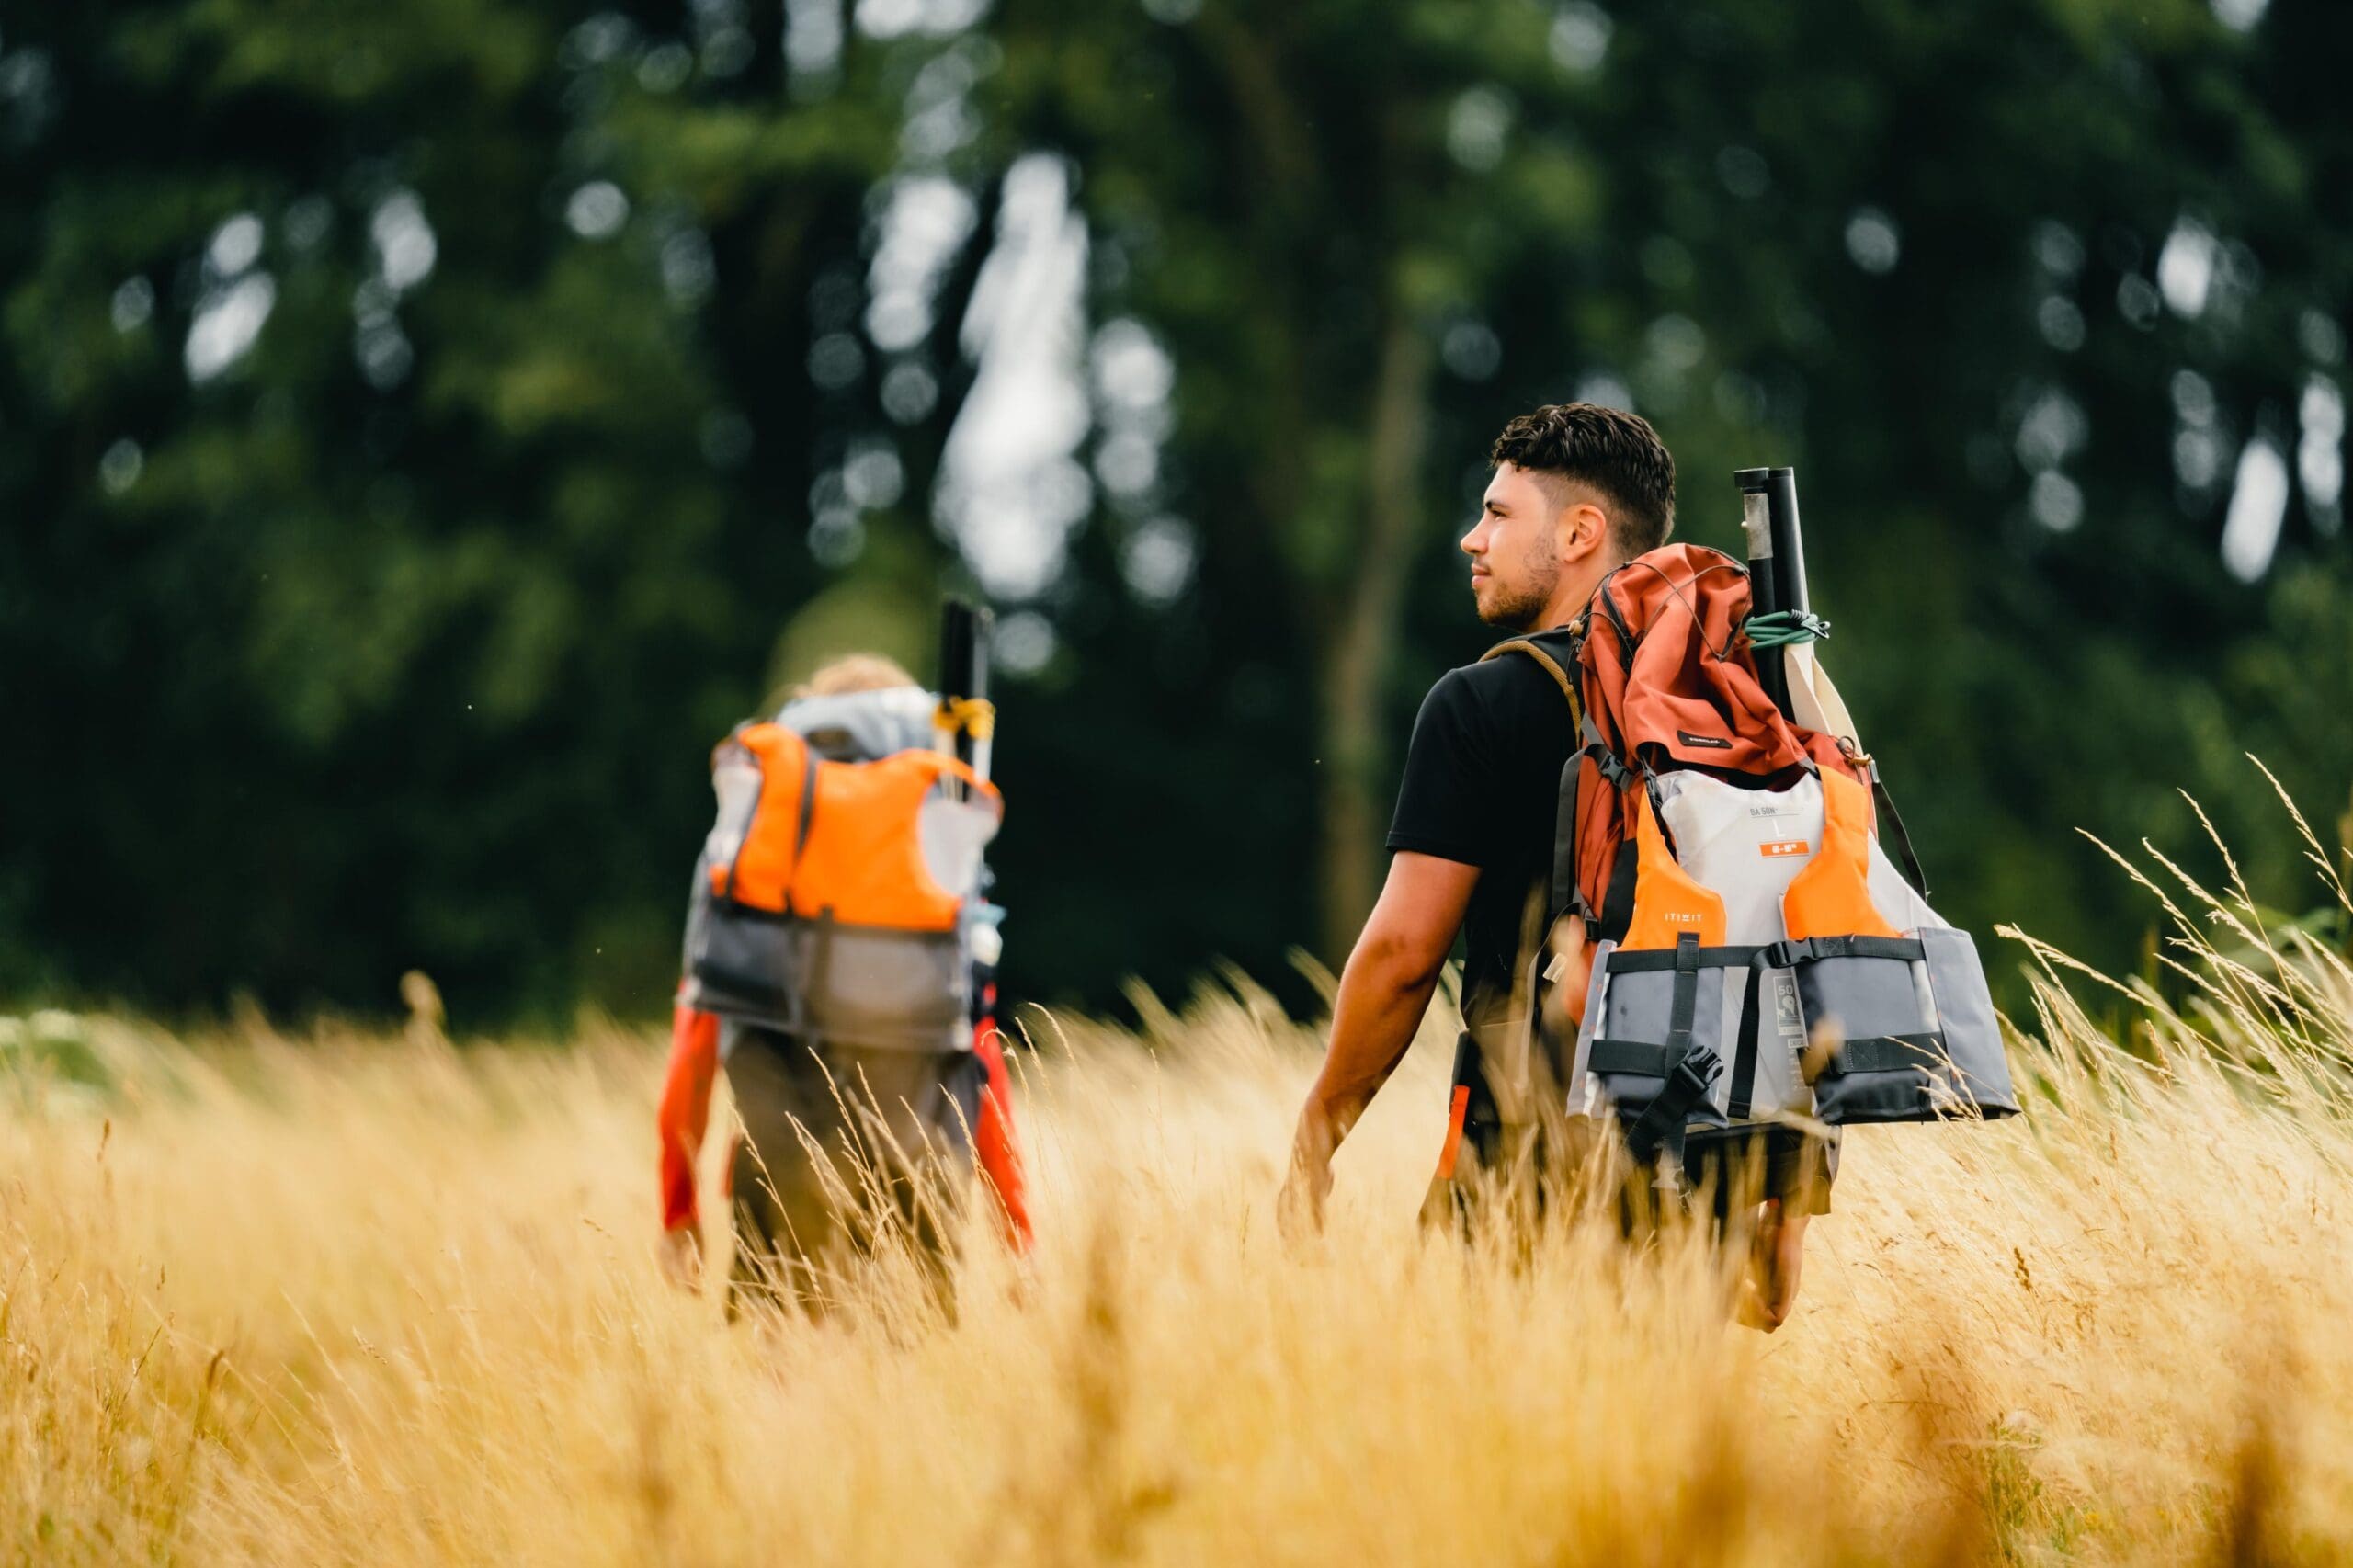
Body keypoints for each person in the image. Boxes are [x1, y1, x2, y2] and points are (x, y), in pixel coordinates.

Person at [1276, 403, 1831, 1330]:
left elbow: (1404, 952)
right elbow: (1802, 953)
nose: (1470, 538)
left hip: (1521, 1151)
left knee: (1475, 1446)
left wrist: (1316, 1128)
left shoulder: (1480, 703)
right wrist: (1786, 1207)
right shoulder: (1747, 709)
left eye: (1497, 514)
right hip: (1704, 1167)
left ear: (1580, 532)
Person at [657, 653, 1031, 1310]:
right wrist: (1016, 1236)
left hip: (777, 1172)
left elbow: (697, 1037)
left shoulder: (761, 834)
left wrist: (679, 1210)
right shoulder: (938, 823)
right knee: (899, 1389)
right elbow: (982, 1057)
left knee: (785, 1383)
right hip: (920, 1179)